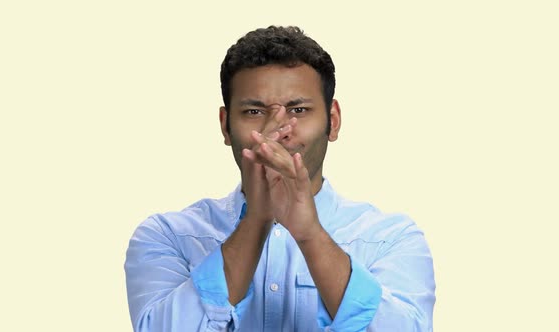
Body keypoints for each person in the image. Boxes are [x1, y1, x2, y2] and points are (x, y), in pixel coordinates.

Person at [125, 26, 435, 331]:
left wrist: (310, 234)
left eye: (298, 109)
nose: (278, 130)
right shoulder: (168, 237)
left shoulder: (391, 239)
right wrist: (257, 219)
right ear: (225, 126)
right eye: (254, 113)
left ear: (333, 121)